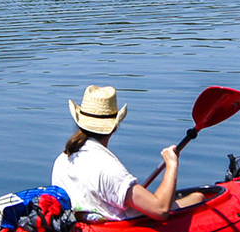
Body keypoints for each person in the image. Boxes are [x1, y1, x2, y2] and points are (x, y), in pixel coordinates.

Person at [50, 85, 203, 221]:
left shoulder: (62, 159)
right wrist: (172, 164)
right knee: (198, 197)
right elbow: (160, 210)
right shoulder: (108, 168)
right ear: (115, 127)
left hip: (86, 226)